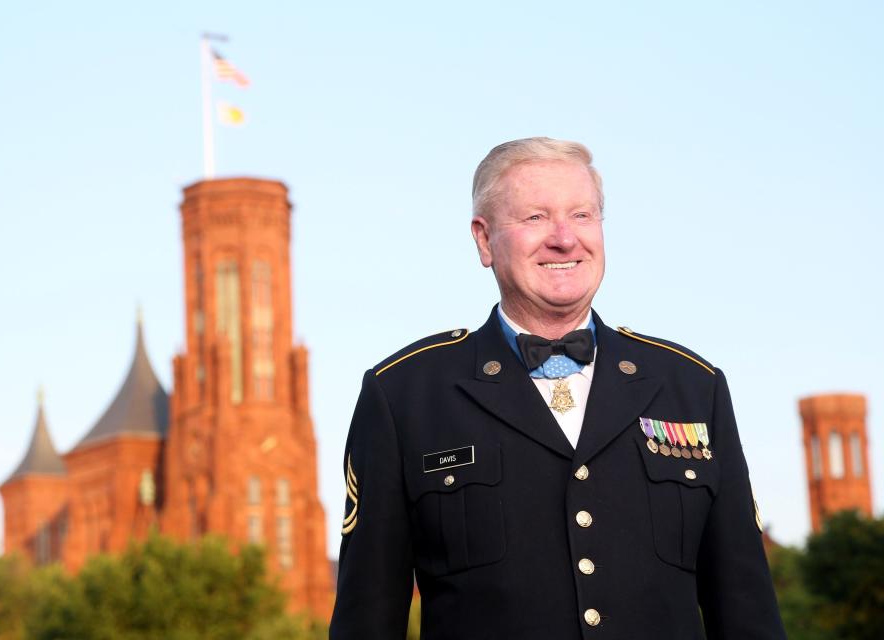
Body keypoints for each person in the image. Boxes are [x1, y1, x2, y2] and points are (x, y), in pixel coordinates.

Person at [330, 137, 786, 639]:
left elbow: (747, 613)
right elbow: (366, 619)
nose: (565, 239)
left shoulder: (693, 387)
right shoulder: (404, 396)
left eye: (583, 216)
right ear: (484, 241)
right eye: (535, 218)